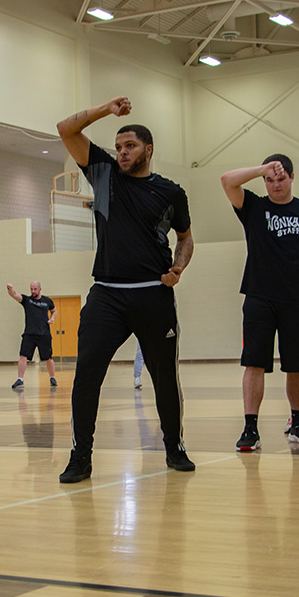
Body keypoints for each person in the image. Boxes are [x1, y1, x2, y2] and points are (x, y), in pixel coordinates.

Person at [55, 96, 195, 482]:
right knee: (86, 375)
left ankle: (174, 447)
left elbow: (185, 239)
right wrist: (105, 110)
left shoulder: (171, 192)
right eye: (118, 147)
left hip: (153, 293)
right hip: (107, 294)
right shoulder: (103, 174)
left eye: (129, 146)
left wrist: (178, 268)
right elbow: (65, 129)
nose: (121, 153)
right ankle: (80, 456)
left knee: (164, 376)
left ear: (148, 150)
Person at [221, 155, 299, 451]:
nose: (275, 185)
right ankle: (250, 429)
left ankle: (297, 423)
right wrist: (260, 169)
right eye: (269, 180)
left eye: (281, 178)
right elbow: (227, 180)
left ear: (292, 177)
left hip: (297, 299)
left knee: (297, 366)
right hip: (259, 297)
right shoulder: (254, 207)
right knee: (254, 364)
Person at [7, 281, 58, 389]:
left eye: (35, 289)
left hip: (44, 334)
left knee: (48, 357)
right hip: (29, 334)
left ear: (40, 289)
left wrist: (52, 318)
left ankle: (52, 378)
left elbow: (54, 311)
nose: (33, 291)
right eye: (31, 289)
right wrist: (10, 289)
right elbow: (15, 295)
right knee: (23, 356)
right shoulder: (27, 300)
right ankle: (20, 379)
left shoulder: (47, 301)